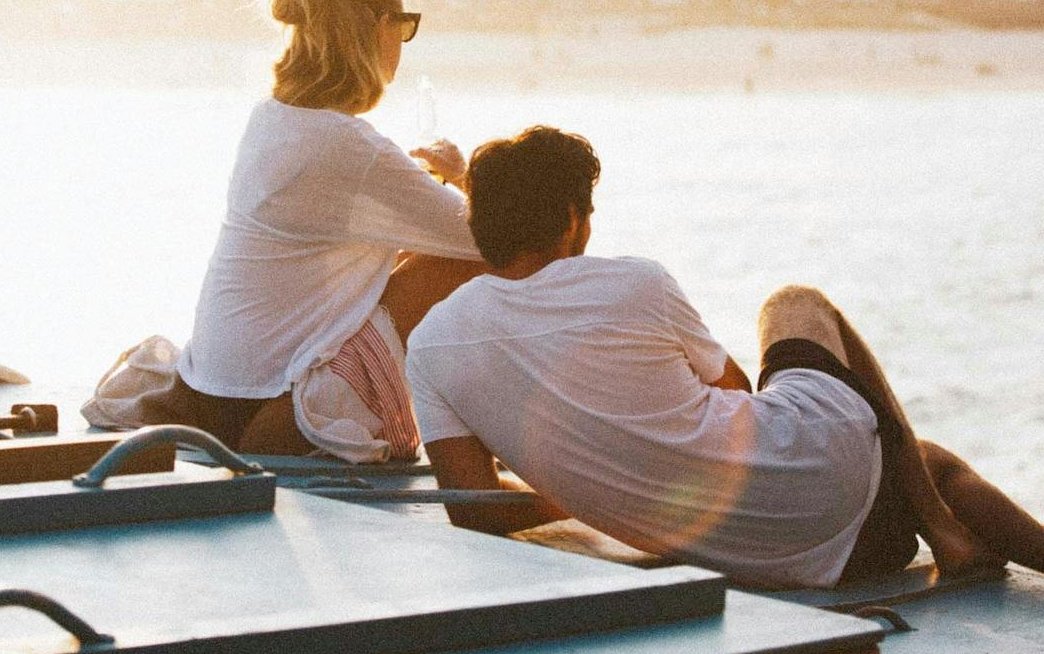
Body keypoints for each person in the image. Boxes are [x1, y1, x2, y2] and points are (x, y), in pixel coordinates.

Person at [406, 126, 1044, 588]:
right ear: (573, 218)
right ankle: (944, 529)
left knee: (919, 460)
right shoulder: (637, 283)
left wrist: (584, 478)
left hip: (766, 564)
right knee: (798, 305)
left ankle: (946, 531)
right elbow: (741, 401)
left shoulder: (432, 345)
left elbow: (476, 513)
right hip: (836, 510)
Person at [94, 0, 487, 462]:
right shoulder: (351, 147)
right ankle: (488, 444)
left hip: (208, 399)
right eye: (405, 27)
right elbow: (492, 241)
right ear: (378, 26)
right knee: (455, 265)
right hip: (281, 412)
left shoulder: (271, 119)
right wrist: (461, 176)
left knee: (404, 260)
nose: (403, 45)